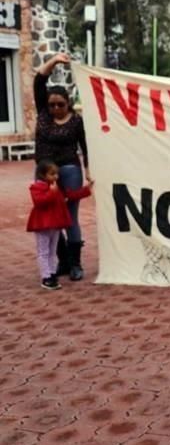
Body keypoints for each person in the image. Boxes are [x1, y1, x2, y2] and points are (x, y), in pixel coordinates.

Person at [33, 53, 91, 281]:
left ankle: (76, 264)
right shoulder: (43, 115)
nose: (56, 108)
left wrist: (88, 170)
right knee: (49, 217)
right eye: (52, 104)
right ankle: (63, 261)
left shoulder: (76, 121)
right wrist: (55, 60)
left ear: (68, 103)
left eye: (60, 104)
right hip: (44, 174)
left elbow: (86, 147)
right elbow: (39, 80)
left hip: (69, 171)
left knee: (69, 217)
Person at [27, 159, 93, 290]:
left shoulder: (57, 187)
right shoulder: (37, 188)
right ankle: (46, 277)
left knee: (52, 251)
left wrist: (87, 189)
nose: (56, 177)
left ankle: (52, 273)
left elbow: (72, 195)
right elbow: (40, 202)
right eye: (52, 174)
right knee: (43, 252)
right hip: (42, 225)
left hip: (55, 225)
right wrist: (52, 192)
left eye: (56, 174)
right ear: (43, 175)